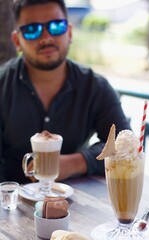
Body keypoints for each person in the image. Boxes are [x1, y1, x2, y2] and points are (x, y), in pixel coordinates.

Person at [0, 0, 130, 184]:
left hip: (77, 203)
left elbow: (126, 148)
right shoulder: (2, 85)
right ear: (17, 41)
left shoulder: (95, 87)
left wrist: (76, 162)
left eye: (56, 26)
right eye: (32, 30)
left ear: (69, 32)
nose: (46, 38)